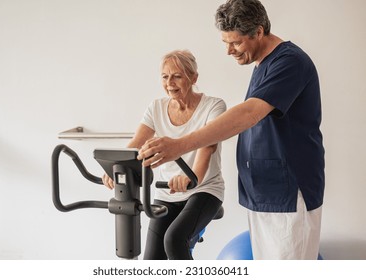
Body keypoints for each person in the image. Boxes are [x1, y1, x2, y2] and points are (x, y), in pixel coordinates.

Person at [138, 0, 325, 260]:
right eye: (226, 43)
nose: (229, 51)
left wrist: (180, 145)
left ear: (258, 32)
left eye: (235, 43)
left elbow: (249, 113)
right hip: (264, 192)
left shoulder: (289, 62)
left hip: (289, 193)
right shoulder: (263, 64)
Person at [102, 49, 226, 260]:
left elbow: (207, 147)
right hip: (166, 192)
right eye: (165, 76)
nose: (170, 82)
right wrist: (115, 168)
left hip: (204, 189)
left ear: (194, 78)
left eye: (177, 76)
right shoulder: (156, 107)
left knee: (175, 240)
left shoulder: (214, 106)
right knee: (152, 260)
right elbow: (136, 143)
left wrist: (190, 178)